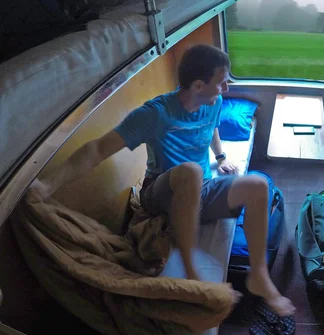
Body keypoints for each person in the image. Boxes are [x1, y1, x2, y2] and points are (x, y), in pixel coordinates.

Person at [30, 44, 295, 316]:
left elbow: (212, 128)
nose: (226, 89)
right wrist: (47, 185)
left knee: (258, 185)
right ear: (198, 85)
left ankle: (259, 276)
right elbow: (97, 149)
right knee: (190, 171)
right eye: (221, 83)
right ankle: (192, 273)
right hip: (161, 192)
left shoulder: (213, 103)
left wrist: (221, 156)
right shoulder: (155, 113)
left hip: (202, 188)